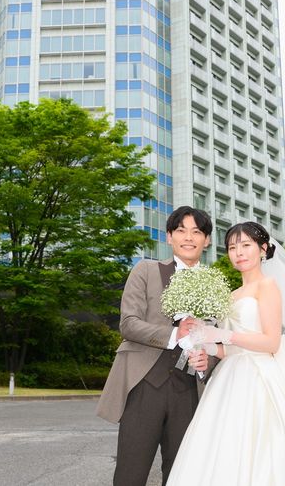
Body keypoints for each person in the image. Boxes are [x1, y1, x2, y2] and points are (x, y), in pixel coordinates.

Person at [167, 221, 285, 486]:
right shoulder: (230, 295)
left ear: (263, 249)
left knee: (265, 449)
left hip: (260, 377)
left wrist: (220, 334)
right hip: (227, 378)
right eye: (232, 247)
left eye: (246, 245)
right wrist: (207, 345)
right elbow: (231, 348)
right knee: (223, 448)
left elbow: (271, 342)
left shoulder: (267, 286)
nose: (239, 252)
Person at [96, 205, 216, 486]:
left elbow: (219, 339)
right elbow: (128, 323)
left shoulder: (215, 286)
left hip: (189, 391)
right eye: (181, 230)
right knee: (130, 474)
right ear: (169, 237)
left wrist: (207, 362)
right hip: (144, 385)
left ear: (207, 240)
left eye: (197, 232)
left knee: (181, 476)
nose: (189, 237)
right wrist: (174, 334)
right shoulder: (146, 270)